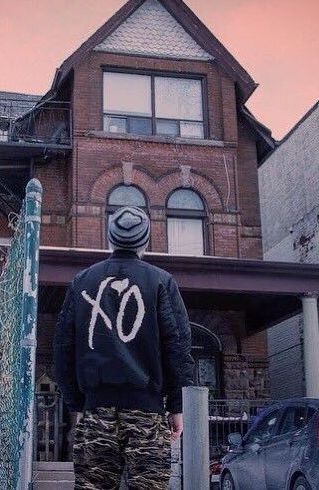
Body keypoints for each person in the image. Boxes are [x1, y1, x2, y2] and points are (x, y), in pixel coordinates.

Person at [53, 206, 194, 489]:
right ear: (145, 241)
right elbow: (177, 347)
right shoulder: (161, 282)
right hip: (147, 413)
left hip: (96, 411)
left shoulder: (82, 281)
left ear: (110, 239)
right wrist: (177, 405)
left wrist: (78, 404)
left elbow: (62, 348)